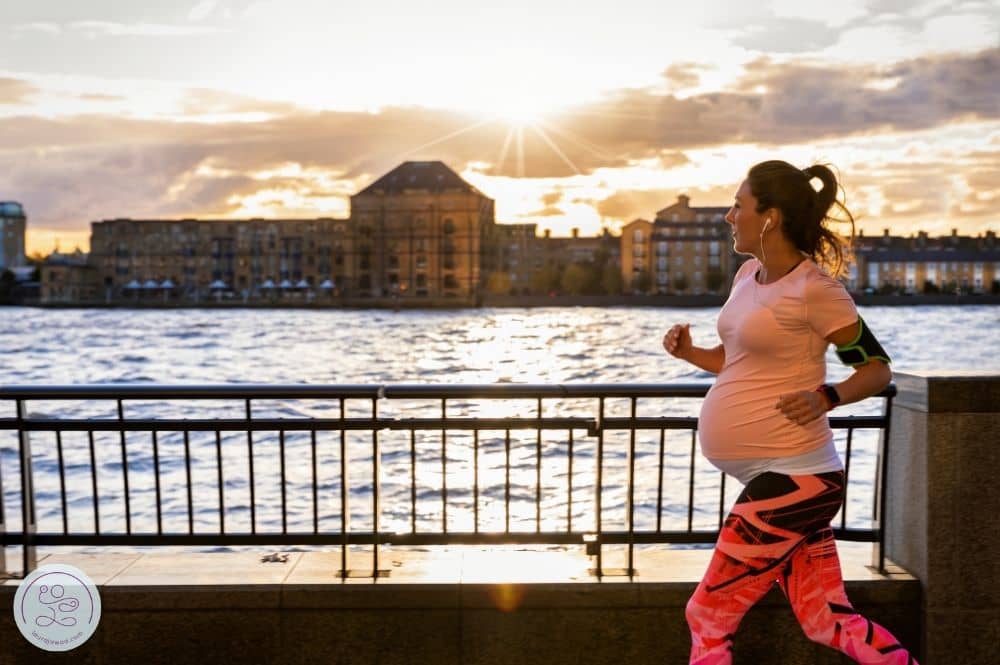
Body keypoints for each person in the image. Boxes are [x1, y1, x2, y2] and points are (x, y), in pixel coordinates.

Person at [663, 160, 917, 664]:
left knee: (708, 614)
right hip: (787, 481)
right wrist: (691, 354)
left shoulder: (814, 289)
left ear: (770, 216)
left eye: (739, 205)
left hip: (797, 479)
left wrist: (826, 397)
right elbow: (735, 362)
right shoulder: (746, 276)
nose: (729, 216)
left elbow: (876, 369)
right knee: (826, 619)